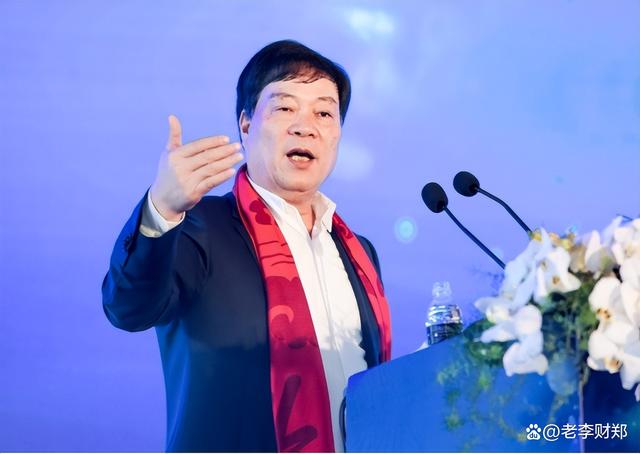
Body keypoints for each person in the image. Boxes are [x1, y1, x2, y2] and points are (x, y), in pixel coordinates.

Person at [102, 39, 391, 453]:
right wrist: (160, 208)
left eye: (324, 113)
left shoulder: (359, 253)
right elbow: (128, 307)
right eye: (285, 108)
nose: (305, 126)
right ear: (246, 123)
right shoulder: (199, 226)